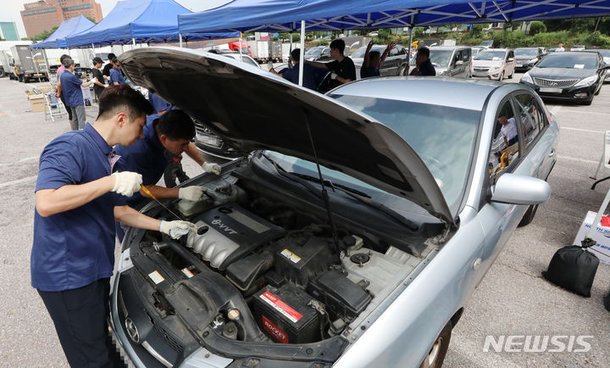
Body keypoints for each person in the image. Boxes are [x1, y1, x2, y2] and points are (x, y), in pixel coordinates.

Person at [32, 85, 196, 368]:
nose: (140, 135)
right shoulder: (71, 146)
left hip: (92, 269)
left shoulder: (107, 156)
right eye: (140, 126)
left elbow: (119, 210)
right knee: (91, 358)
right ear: (122, 119)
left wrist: (166, 227)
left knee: (104, 341)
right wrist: (109, 182)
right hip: (67, 276)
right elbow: (46, 202)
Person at [113, 109, 221, 240]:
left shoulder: (162, 124)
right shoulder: (138, 151)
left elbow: (185, 142)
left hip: (145, 183)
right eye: (182, 145)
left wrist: (204, 164)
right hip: (126, 200)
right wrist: (180, 192)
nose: (185, 148)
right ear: (163, 139)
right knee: (134, 238)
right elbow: (145, 189)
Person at [59, 57, 93, 130]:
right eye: (73, 66)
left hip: (69, 100)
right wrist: (92, 81)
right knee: (81, 118)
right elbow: (84, 85)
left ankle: (75, 132)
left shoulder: (63, 75)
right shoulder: (71, 76)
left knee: (75, 118)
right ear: (71, 65)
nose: (74, 67)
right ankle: (82, 134)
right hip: (77, 100)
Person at [55, 54, 73, 126]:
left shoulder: (60, 69)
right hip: (65, 93)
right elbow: (60, 84)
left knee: (71, 111)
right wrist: (59, 93)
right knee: (71, 111)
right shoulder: (62, 70)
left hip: (66, 92)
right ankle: (74, 129)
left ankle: (75, 128)